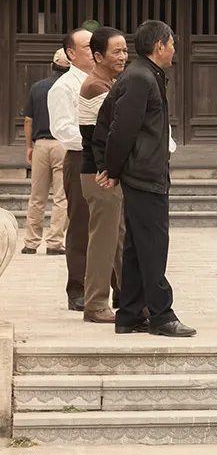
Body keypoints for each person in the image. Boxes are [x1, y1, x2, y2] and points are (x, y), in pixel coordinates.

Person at [92, 19, 195, 337]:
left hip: (143, 171)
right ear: (159, 46)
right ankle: (162, 315)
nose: (175, 49)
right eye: (172, 43)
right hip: (144, 173)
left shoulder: (144, 75)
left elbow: (110, 118)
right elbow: (120, 127)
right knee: (153, 244)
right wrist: (111, 168)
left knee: (137, 246)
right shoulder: (141, 77)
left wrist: (112, 167)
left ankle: (130, 314)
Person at [78, 27, 128, 324]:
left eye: (125, 50)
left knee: (120, 238)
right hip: (100, 175)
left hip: (106, 174)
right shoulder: (97, 87)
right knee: (104, 242)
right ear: (98, 56)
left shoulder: (107, 82)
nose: (123, 56)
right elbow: (111, 136)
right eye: (117, 51)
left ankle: (129, 295)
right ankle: (95, 303)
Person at [48, 28, 94, 310]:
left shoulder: (111, 80)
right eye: (88, 46)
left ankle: (113, 284)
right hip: (81, 157)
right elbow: (63, 131)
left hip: (109, 157)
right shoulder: (63, 87)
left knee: (113, 226)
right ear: (71, 53)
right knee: (80, 225)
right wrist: (98, 139)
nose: (94, 50)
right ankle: (77, 288)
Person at [21, 49, 70, 255]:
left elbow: (28, 120)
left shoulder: (37, 87)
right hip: (63, 144)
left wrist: (29, 147)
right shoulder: (70, 87)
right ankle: (55, 243)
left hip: (41, 144)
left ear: (52, 66)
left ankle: (31, 243)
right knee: (61, 197)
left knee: (37, 196)